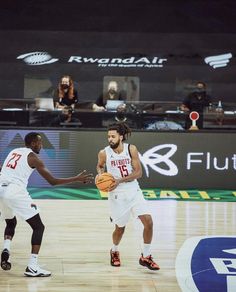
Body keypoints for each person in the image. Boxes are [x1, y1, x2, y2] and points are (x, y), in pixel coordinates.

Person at [0, 132, 93, 277]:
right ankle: (32, 266)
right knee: (38, 227)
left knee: (10, 222)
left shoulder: (14, 152)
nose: (41, 145)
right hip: (15, 191)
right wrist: (77, 178)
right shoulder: (33, 158)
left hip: (1, 189)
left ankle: (6, 250)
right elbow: (53, 181)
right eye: (39, 142)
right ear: (32, 144)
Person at [96, 123, 160, 270]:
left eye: (113, 136)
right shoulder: (104, 153)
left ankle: (146, 256)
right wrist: (101, 175)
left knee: (148, 222)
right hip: (116, 194)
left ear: (121, 137)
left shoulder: (131, 149)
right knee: (120, 228)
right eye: (108, 137)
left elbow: (138, 173)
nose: (110, 139)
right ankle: (114, 250)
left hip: (133, 189)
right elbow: (99, 165)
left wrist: (120, 180)